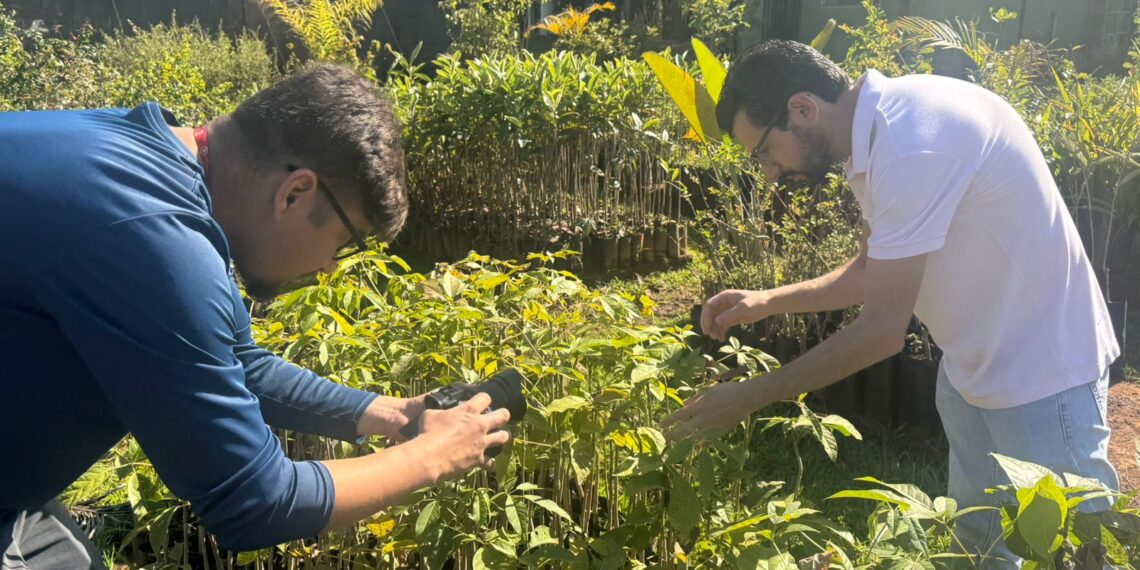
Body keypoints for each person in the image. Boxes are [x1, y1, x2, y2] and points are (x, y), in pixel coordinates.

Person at [0, 62, 510, 569]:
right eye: (343, 244)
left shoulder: (139, 154)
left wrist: (393, 414)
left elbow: (240, 363)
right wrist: (431, 456)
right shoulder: (154, 238)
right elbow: (254, 501)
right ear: (294, 194)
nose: (329, 268)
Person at [661, 40, 1120, 567]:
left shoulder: (910, 145)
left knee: (1078, 553)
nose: (767, 173)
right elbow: (869, 270)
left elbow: (881, 331)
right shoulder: (879, 134)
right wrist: (767, 300)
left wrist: (746, 398)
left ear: (803, 109)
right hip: (971, 365)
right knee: (978, 545)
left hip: (1044, 377)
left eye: (764, 151)